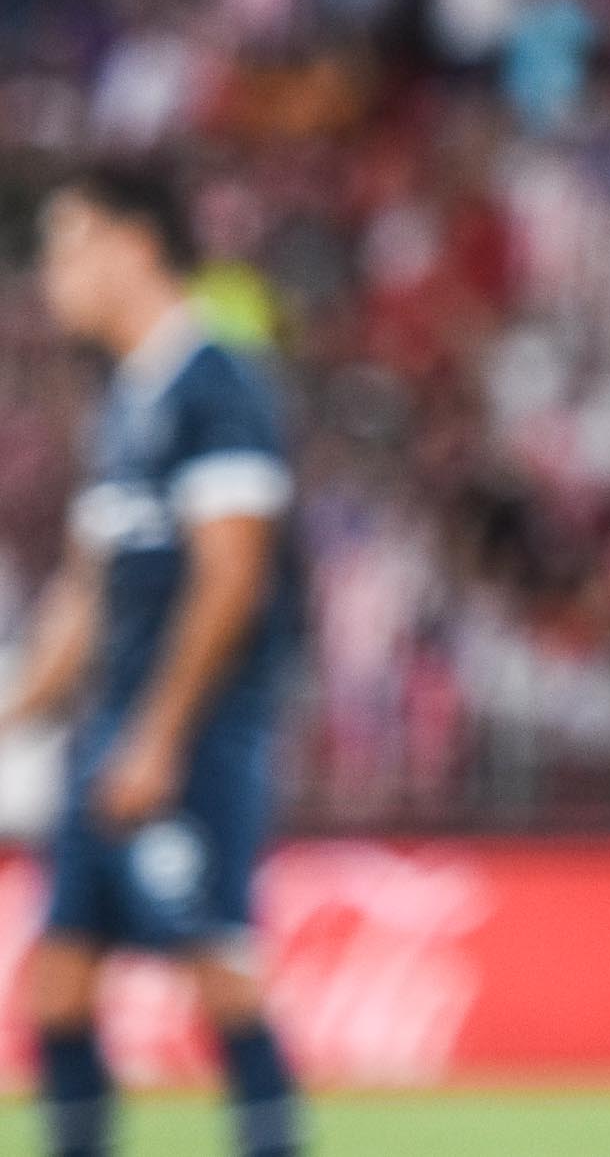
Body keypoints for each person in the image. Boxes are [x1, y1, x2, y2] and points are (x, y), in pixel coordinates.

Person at [2, 164, 306, 1157]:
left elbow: (231, 576)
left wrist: (159, 735)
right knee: (59, 983)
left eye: (66, 241)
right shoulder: (126, 403)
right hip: (110, 734)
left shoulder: (218, 385)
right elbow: (85, 600)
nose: (51, 270)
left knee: (221, 975)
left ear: (135, 243)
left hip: (190, 735)